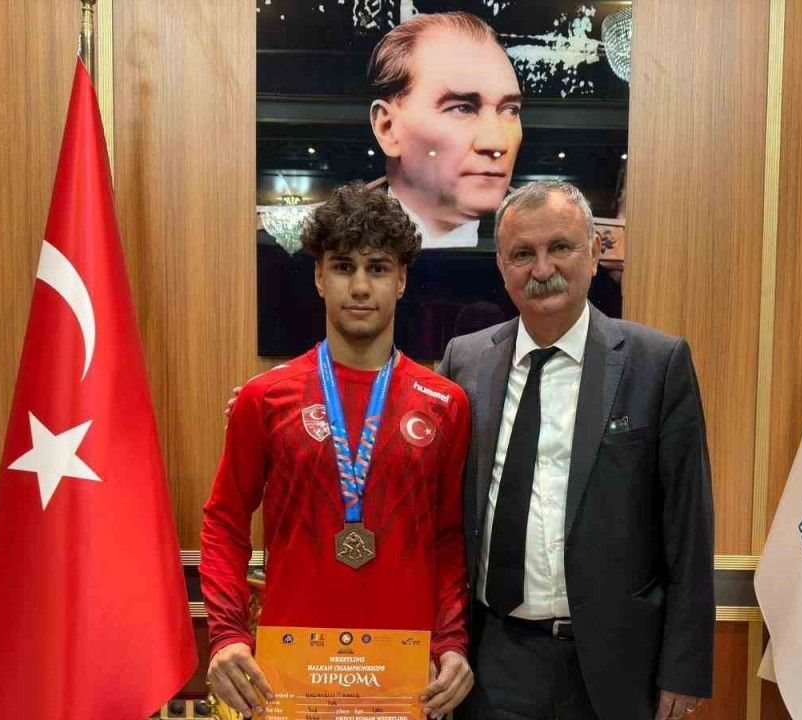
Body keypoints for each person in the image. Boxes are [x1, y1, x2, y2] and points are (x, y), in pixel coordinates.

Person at [437, 181, 715, 720]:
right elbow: (432, 502)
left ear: (593, 253)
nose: (542, 269)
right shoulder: (464, 362)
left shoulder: (657, 364)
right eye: (523, 254)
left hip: (618, 664)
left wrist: (684, 668)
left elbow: (689, 527)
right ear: (502, 267)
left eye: (560, 247)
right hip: (492, 660)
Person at [201, 183, 474, 719]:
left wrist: (452, 642)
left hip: (406, 677)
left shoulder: (446, 404)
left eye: (378, 268)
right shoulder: (266, 397)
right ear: (319, 277)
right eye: (344, 267)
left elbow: (449, 539)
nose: (361, 286)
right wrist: (227, 634)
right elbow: (225, 522)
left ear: (401, 279)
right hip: (290, 675)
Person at [367, 11, 522, 249]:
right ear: (387, 128)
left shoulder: (551, 232)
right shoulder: (320, 236)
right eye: (462, 108)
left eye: (510, 110)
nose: (497, 143)